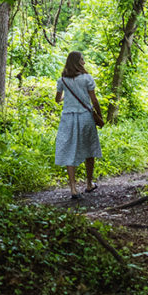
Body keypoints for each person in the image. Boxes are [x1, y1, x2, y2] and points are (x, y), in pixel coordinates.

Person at [55, 51, 104, 200]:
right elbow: (94, 100)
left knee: (70, 149)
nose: (84, 61)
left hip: (68, 118)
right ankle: (89, 184)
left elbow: (57, 100)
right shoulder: (87, 78)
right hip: (85, 117)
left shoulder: (62, 80)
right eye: (82, 59)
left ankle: (73, 189)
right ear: (77, 62)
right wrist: (100, 116)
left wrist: (67, 97)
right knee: (89, 149)